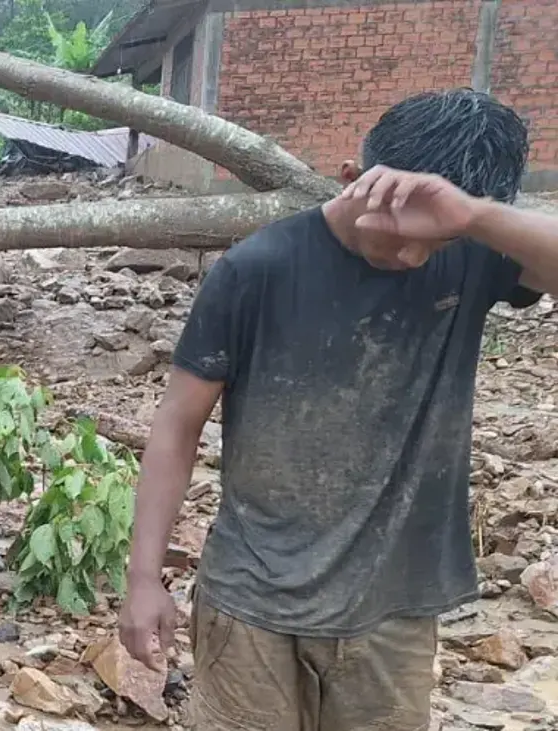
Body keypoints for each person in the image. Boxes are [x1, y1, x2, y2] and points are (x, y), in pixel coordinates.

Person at [118, 88, 558, 731]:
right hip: (252, 600)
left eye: (432, 243)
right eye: (399, 232)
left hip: (395, 606)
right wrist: (142, 579)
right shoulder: (257, 268)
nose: (412, 256)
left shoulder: (471, 254)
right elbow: (177, 427)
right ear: (352, 180)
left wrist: (472, 219)